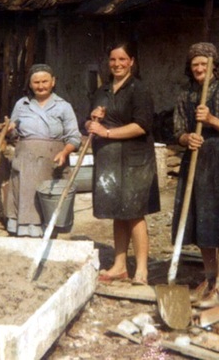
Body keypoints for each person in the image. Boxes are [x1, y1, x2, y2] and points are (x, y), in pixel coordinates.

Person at [86, 42, 160, 285]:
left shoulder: (139, 89)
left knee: (134, 212)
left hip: (134, 159)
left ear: (131, 61)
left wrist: (106, 133)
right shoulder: (103, 91)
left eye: (122, 59)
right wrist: (91, 123)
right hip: (109, 159)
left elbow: (141, 125)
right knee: (118, 212)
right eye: (113, 60)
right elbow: (89, 121)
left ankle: (141, 270)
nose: (117, 64)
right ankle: (119, 266)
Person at [172, 43, 219, 308]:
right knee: (200, 220)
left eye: (204, 64)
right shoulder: (185, 94)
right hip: (196, 160)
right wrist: (187, 138)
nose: (198, 68)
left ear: (214, 66)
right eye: (194, 64)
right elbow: (177, 130)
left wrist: (210, 120)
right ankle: (209, 278)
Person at [5, 64, 81, 237]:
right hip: (25, 159)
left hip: (52, 160)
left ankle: (48, 231)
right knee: (25, 194)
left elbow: (74, 137)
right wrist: (9, 131)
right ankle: (24, 230)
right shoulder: (22, 104)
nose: (41, 86)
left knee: (47, 195)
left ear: (53, 82)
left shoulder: (63, 106)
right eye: (36, 82)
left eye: (45, 81)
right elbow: (13, 133)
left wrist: (64, 152)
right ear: (30, 84)